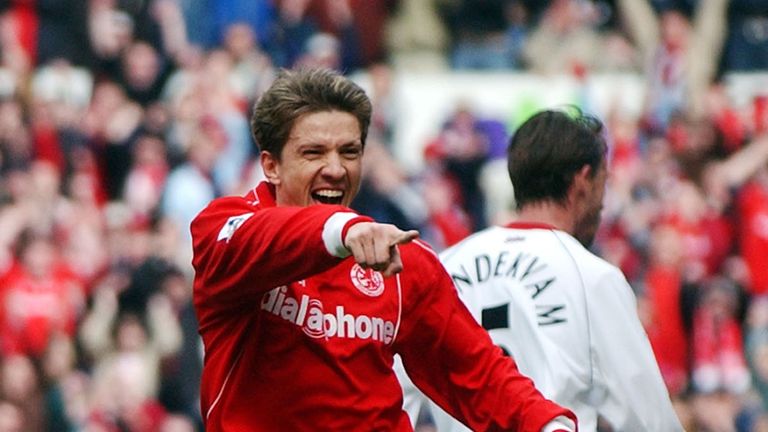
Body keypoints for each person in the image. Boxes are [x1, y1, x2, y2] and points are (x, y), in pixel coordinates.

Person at [189, 68, 577, 431]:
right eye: (314, 153)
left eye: (349, 152)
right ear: (271, 166)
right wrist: (341, 230)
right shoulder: (224, 231)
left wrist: (547, 424)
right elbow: (264, 238)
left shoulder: (399, 259)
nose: (336, 169)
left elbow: (475, 372)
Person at [400, 108, 683, 431]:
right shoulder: (591, 276)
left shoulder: (443, 267)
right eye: (603, 183)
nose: (603, 205)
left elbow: (395, 397)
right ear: (583, 180)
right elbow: (649, 419)